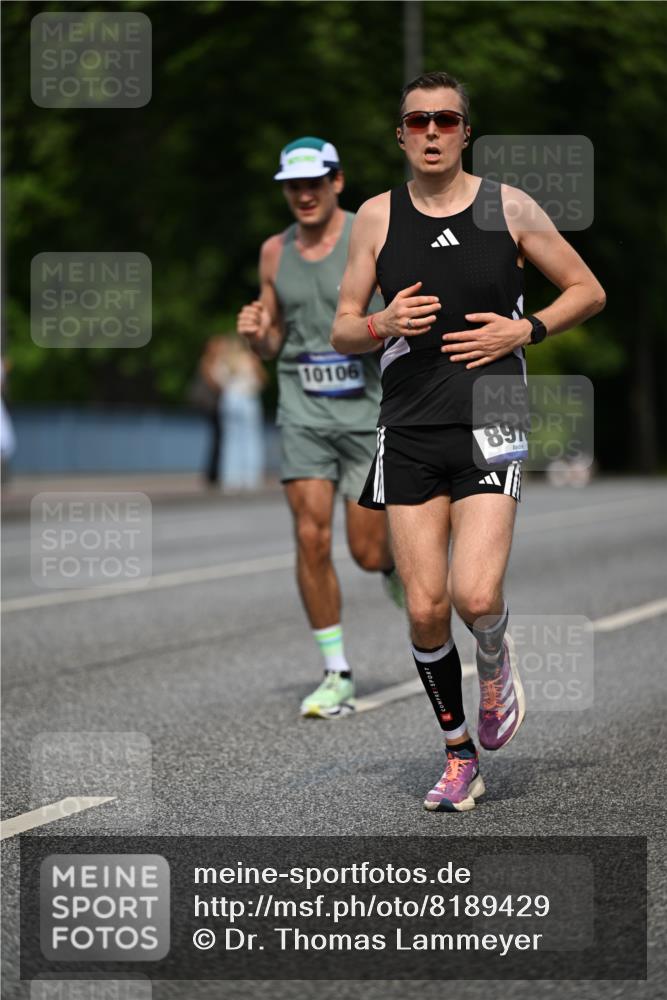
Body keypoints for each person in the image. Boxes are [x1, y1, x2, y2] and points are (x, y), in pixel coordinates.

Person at [331, 72, 605, 810]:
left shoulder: (507, 205)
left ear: (463, 132)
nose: (430, 132)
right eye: (416, 120)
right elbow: (343, 326)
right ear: (399, 134)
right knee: (423, 608)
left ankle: (492, 657)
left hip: (492, 415)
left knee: (473, 592)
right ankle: (459, 757)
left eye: (444, 120)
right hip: (410, 423)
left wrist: (528, 328)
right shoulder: (374, 218)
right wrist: (380, 326)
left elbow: (586, 289)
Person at [237, 136, 404, 719]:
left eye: (315, 183)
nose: (304, 194)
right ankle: (336, 673)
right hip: (303, 413)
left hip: (366, 414)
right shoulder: (272, 252)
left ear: (336, 181)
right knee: (310, 537)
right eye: (293, 186)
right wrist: (258, 335)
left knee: (364, 549)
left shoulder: (372, 234)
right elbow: (272, 341)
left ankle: (388, 569)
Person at [215, 337, 267, 491]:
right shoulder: (249, 359)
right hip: (247, 397)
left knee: (230, 439)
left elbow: (217, 381)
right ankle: (251, 478)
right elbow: (262, 379)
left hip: (229, 398)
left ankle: (231, 479)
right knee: (251, 438)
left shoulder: (224, 360)